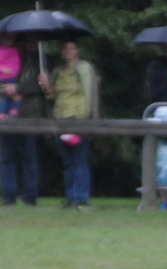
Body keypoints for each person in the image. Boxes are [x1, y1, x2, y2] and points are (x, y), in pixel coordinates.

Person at [43, 39, 98, 209]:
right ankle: (71, 197)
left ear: (77, 50)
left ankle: (81, 198)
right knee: (67, 160)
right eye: (65, 48)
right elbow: (52, 96)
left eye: (71, 48)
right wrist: (45, 85)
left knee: (79, 159)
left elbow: (90, 93)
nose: (68, 51)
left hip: (78, 118)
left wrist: (87, 118)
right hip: (61, 118)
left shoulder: (84, 69)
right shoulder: (58, 72)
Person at [1, 35, 47, 205]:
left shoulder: (40, 63)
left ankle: (30, 196)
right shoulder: (9, 57)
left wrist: (18, 88)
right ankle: (9, 196)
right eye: (28, 41)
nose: (31, 43)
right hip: (7, 116)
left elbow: (43, 87)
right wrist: (8, 90)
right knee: (7, 157)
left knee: (29, 157)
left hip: (30, 115)